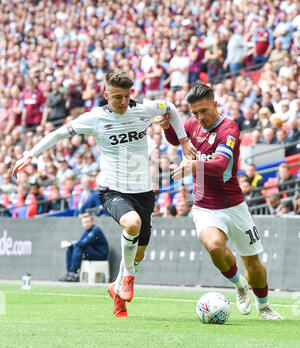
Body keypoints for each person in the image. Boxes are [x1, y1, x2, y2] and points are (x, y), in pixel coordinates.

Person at [12, 69, 196, 317]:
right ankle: (128, 277)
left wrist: (184, 141)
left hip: (143, 191)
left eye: (127, 96)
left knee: (138, 253)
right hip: (112, 189)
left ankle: (117, 288)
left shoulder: (144, 108)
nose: (123, 102)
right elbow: (58, 133)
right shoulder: (94, 118)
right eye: (117, 96)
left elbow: (171, 108)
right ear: (105, 94)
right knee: (131, 224)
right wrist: (30, 154)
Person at [157, 83, 283, 320]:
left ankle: (264, 305)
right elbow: (176, 137)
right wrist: (166, 127)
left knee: (253, 263)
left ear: (215, 104)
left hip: (234, 205)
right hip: (204, 205)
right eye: (195, 113)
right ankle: (239, 285)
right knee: (214, 245)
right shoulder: (193, 124)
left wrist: (194, 165)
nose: (199, 118)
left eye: (204, 111)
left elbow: (220, 165)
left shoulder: (229, 129)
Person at [59, 213, 109, 282]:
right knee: (70, 247)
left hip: (100, 255)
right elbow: (79, 241)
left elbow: (84, 243)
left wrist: (70, 242)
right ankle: (69, 273)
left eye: (87, 222)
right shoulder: (86, 231)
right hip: (91, 253)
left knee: (77, 247)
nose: (86, 224)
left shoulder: (96, 230)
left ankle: (74, 274)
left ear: (92, 221)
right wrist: (69, 242)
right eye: (84, 222)